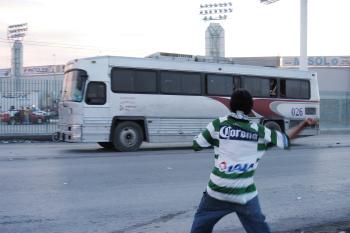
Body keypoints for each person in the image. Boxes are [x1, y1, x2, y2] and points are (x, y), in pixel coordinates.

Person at [190, 88, 316, 233]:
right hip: (244, 194)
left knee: (200, 227)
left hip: (217, 192)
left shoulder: (218, 124)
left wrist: (218, 141)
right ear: (251, 109)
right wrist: (305, 124)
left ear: (230, 106)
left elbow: (196, 145)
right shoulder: (260, 132)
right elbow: (286, 140)